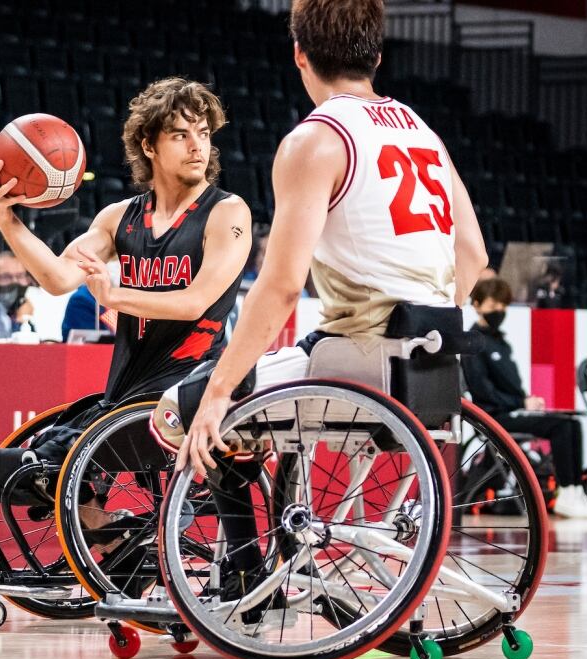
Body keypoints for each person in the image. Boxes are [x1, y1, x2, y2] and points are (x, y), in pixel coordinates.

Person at [153, 0, 488, 471]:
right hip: (432, 355)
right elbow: (473, 255)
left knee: (177, 406)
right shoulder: (424, 133)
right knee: (248, 405)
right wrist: (424, 322)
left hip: (355, 355)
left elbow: (283, 286)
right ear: (376, 56)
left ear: (299, 54)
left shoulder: (316, 140)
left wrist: (220, 389)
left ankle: (243, 548)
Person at [0, 77, 252, 534]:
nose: (197, 147)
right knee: (24, 469)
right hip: (126, 391)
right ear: (149, 144)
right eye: (181, 135)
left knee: (62, 458)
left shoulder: (227, 213)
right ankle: (113, 540)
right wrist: (5, 218)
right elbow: (57, 279)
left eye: (204, 134)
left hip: (189, 387)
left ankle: (125, 541)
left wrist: (112, 294)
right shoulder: (118, 219)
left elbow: (195, 302)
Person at [462, 277, 587, 518]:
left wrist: (528, 401)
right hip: (494, 418)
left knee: (572, 423)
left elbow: (511, 389)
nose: (499, 311)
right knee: (561, 427)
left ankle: (575, 492)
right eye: (493, 305)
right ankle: (566, 493)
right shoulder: (474, 343)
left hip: (514, 411)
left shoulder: (501, 343)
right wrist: (520, 403)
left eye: (503, 306)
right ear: (477, 304)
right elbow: (484, 393)